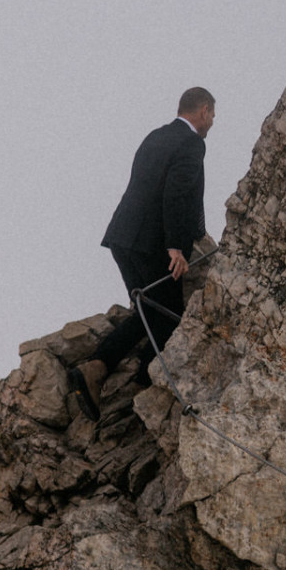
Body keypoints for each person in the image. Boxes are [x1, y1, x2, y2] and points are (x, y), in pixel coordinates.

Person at [68, 87, 213, 420]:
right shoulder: (192, 143)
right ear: (203, 110)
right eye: (213, 116)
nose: (212, 123)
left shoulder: (155, 136)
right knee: (167, 312)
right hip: (153, 243)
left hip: (123, 237)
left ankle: (106, 372)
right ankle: (125, 377)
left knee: (148, 309)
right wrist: (176, 246)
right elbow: (176, 193)